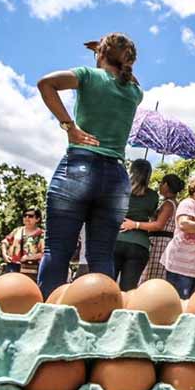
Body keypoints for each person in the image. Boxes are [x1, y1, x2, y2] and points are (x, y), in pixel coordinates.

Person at [35, 34, 142, 299]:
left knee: (57, 250)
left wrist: (69, 126)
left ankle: (47, 314)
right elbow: (127, 76)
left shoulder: (87, 75)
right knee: (101, 254)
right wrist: (108, 54)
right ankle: (100, 315)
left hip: (80, 165)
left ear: (101, 55)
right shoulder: (135, 93)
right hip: (116, 178)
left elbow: (45, 84)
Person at [114, 159, 160, 291]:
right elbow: (152, 215)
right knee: (129, 289)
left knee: (109, 285)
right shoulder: (152, 195)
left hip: (116, 240)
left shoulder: (120, 189)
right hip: (140, 244)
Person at [139, 174, 184, 284]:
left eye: (161, 183)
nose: (159, 186)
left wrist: (136, 224)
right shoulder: (175, 204)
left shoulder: (168, 204)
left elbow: (158, 225)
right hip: (165, 242)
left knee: (150, 277)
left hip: (160, 244)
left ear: (166, 185)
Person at [2, 209, 44, 278]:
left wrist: (29, 257)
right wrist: (4, 254)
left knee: (26, 288)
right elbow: (5, 241)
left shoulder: (41, 234)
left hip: (30, 268)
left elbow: (44, 253)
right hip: (13, 266)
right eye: (25, 216)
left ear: (37, 219)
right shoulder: (17, 230)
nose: (27, 218)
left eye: (30, 216)